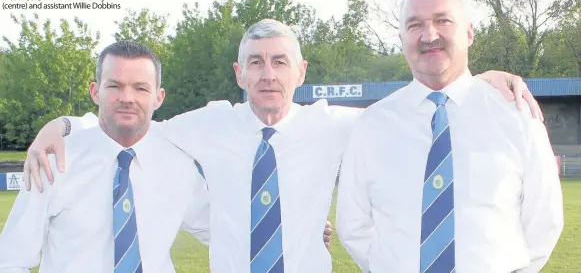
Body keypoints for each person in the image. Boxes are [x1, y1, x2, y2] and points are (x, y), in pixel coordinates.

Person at [22, 19, 541, 273]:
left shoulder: (339, 124)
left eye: (279, 61)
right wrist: (65, 123)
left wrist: (479, 77)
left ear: (301, 71)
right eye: (255, 62)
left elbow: (417, 103)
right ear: (239, 73)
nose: (268, 73)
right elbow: (127, 118)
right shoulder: (206, 125)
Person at [336, 0, 563, 273]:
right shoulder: (372, 125)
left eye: (443, 20)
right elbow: (354, 225)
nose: (429, 35)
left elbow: (544, 222)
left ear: (469, 32)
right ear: (402, 38)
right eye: (415, 25)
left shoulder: (517, 117)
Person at [0, 41, 211, 273]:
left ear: (158, 97)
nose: (127, 98)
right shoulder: (53, 162)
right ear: (95, 92)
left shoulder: (179, 165)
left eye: (141, 88)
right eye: (114, 86)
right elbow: (11, 260)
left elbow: (225, 232)